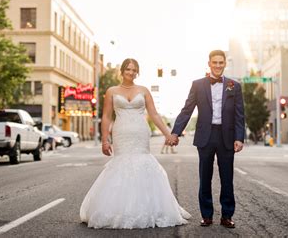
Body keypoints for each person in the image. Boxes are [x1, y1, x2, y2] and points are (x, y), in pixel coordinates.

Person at [80, 58, 191, 229]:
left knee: (142, 163)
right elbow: (107, 116)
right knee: (122, 165)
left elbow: (154, 115)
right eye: (128, 69)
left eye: (134, 70)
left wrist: (168, 135)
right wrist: (104, 140)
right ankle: (120, 210)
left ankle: (147, 209)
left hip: (140, 133)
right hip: (121, 134)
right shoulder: (111, 91)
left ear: (137, 72)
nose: (131, 73)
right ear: (122, 71)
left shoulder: (144, 90)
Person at [171, 50, 246, 229]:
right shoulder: (197, 85)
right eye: (215, 62)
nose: (218, 65)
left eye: (221, 62)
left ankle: (227, 215)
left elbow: (239, 115)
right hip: (205, 135)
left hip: (227, 136)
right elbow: (187, 110)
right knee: (205, 177)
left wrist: (239, 137)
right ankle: (206, 215)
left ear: (225, 63)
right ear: (209, 63)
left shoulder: (234, 86)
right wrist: (175, 132)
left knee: (227, 178)